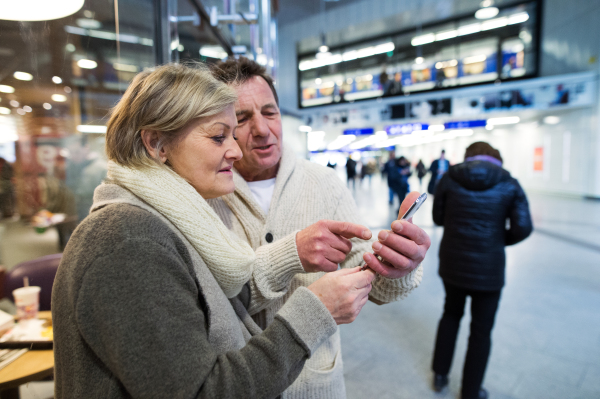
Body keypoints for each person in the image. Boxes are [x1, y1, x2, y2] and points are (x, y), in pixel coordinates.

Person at [52, 63, 378, 399]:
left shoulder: (171, 219)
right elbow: (200, 392)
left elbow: (217, 302)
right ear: (157, 144)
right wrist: (313, 312)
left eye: (232, 134)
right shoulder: (128, 242)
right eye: (219, 136)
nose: (235, 151)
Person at [210, 57, 431, 398]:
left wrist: (397, 266)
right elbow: (208, 303)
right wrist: (290, 253)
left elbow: (375, 285)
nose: (263, 129)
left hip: (314, 384)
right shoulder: (205, 193)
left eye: (270, 112)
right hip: (238, 384)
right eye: (242, 118)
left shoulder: (323, 182)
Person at [430, 142, 533, 399]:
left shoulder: (449, 179)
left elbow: (438, 218)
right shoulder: (510, 183)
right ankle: (471, 391)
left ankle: (440, 375)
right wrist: (497, 240)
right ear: (497, 159)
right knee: (481, 329)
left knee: (450, 314)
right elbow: (523, 227)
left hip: (453, 261)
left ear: (467, 158)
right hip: (489, 268)